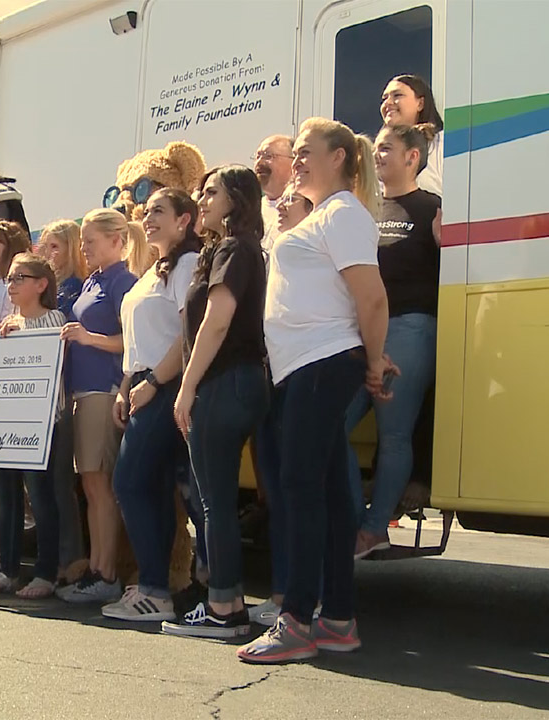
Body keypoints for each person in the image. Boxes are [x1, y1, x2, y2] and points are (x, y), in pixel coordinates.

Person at [238, 118, 394, 664]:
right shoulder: (321, 215)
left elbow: (371, 298)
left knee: (299, 489)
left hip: (323, 363)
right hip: (306, 366)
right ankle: (337, 619)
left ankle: (297, 619)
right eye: (295, 154)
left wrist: (373, 362)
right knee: (325, 495)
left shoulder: (344, 212)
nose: (296, 161)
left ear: (341, 160)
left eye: (307, 153)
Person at [161, 165, 268, 639]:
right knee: (217, 501)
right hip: (240, 383)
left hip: (225, 384)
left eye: (211, 193)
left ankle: (224, 608)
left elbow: (217, 321)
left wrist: (186, 386)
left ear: (237, 200)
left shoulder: (233, 248)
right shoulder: (240, 249)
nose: (201, 200)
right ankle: (229, 601)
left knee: (215, 503)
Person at [100, 188, 201, 622]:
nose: (149, 216)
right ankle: (163, 587)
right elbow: (137, 342)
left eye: (160, 210)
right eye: (148, 210)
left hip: (169, 383)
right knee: (160, 489)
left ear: (185, 220)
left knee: (129, 482)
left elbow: (188, 332)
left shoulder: (190, 264)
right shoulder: (148, 273)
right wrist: (125, 386)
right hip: (141, 383)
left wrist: (156, 382)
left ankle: (156, 588)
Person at [348, 123, 442, 558]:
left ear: (413, 158)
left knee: (393, 432)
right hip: (364, 331)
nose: (378, 154)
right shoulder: (364, 207)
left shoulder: (431, 209)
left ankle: (373, 529)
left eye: (387, 148)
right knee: (332, 426)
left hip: (410, 328)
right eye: (376, 148)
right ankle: (353, 519)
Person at [0, 253, 67, 597]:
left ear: (41, 285)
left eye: (19, 279)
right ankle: (7, 569)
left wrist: (20, 336)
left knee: (41, 498)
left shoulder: (55, 318)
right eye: (9, 279)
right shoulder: (7, 321)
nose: (11, 286)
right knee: (7, 498)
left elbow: (50, 361)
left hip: (42, 425)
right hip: (6, 422)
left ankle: (46, 572)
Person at [57, 208, 137, 603]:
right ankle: (96, 566)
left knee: (100, 483)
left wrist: (90, 339)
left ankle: (106, 573)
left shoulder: (124, 281)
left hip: (102, 391)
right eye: (84, 241)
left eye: (91, 241)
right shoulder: (94, 281)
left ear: (117, 241)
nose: (84, 248)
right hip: (81, 391)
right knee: (90, 483)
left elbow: (133, 341)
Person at [247, 179, 315, 628]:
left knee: (301, 490)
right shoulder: (276, 251)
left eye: (295, 199)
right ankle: (279, 591)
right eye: (283, 198)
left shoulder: (314, 250)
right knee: (273, 489)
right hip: (270, 377)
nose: (284, 204)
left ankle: (307, 595)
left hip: (304, 376)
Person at [36, 219, 89, 580]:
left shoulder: (77, 289)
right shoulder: (50, 291)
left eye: (56, 246)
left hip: (69, 391)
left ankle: (72, 560)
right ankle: (52, 559)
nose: (49, 254)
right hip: (43, 393)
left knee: (63, 484)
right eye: (44, 247)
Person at [380, 75, 444, 196]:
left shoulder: (441, 143)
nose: (387, 103)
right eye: (384, 98)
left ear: (420, 103)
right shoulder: (378, 154)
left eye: (397, 95)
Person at [39, 219, 88, 320]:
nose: (47, 253)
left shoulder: (74, 286)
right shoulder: (48, 282)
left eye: (54, 247)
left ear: (71, 249)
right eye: (45, 246)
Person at [251, 135, 294, 250]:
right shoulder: (250, 210)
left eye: (268, 156)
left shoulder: (304, 209)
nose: (260, 162)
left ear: (294, 162)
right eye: (257, 156)